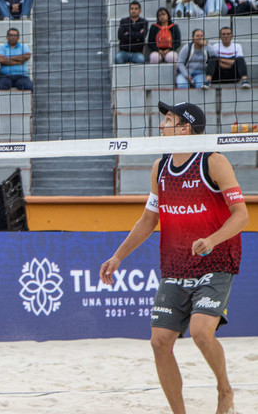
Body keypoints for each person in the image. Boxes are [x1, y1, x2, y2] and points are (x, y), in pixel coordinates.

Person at [99, 101, 247, 414]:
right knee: (159, 341)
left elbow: (242, 216)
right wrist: (118, 257)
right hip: (177, 265)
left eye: (168, 119)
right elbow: (148, 220)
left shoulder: (214, 162)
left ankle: (224, 391)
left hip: (216, 261)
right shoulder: (160, 167)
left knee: (200, 332)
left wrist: (211, 239)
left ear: (186, 128)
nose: (161, 125)